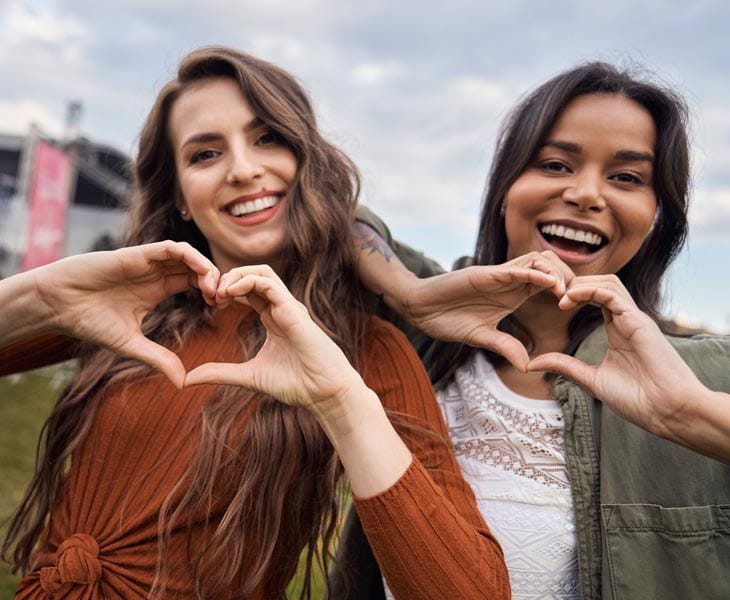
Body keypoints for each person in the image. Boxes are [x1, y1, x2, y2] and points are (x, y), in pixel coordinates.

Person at [0, 47, 512, 599]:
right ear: (181, 199)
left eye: (268, 137)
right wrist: (41, 294)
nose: (243, 170)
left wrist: (341, 402)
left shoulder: (365, 350)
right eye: (204, 154)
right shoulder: (133, 306)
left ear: (308, 164)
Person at [344, 62, 730, 599]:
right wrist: (408, 292)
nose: (586, 194)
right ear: (505, 186)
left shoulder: (709, 372)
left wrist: (687, 413)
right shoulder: (422, 333)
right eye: (554, 164)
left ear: (656, 216)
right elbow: (325, 208)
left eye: (627, 178)